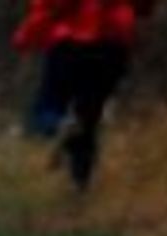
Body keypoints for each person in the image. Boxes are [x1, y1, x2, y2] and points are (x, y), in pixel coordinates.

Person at [16, 0, 149, 191]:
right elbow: (143, 7)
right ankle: (80, 186)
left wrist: (25, 37)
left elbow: (49, 6)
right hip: (112, 50)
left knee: (46, 109)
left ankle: (60, 125)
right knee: (88, 120)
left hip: (69, 47)